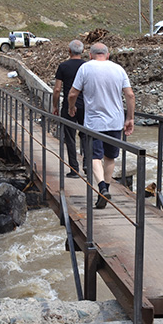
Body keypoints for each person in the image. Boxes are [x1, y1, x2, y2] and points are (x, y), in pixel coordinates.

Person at [67, 42, 135, 209]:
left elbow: (73, 93)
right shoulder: (118, 69)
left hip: (94, 122)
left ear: (90, 55)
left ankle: (102, 188)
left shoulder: (85, 68)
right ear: (108, 54)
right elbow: (130, 95)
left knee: (94, 157)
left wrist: (71, 107)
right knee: (110, 158)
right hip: (115, 121)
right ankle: (105, 189)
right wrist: (130, 118)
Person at [52, 40, 88, 178]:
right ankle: (87, 165)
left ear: (69, 51)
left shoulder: (63, 66)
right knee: (86, 135)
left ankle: (74, 169)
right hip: (86, 105)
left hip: (69, 106)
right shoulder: (87, 66)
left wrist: (55, 106)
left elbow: (57, 89)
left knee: (70, 137)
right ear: (83, 51)